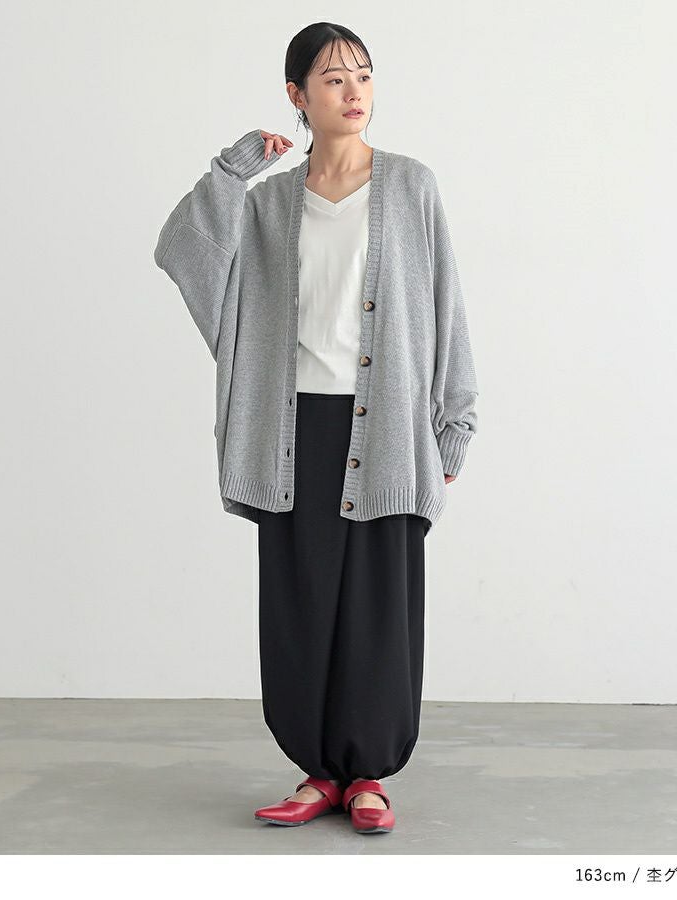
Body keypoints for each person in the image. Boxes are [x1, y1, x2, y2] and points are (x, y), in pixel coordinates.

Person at [153, 22, 479, 835]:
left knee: (377, 608)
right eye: (333, 79)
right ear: (297, 95)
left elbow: (446, 305)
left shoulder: (412, 186)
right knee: (300, 605)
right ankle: (317, 771)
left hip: (389, 427)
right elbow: (184, 252)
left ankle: (367, 776)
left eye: (363, 74)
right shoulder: (267, 203)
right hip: (293, 430)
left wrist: (454, 422)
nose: (354, 91)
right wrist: (233, 171)